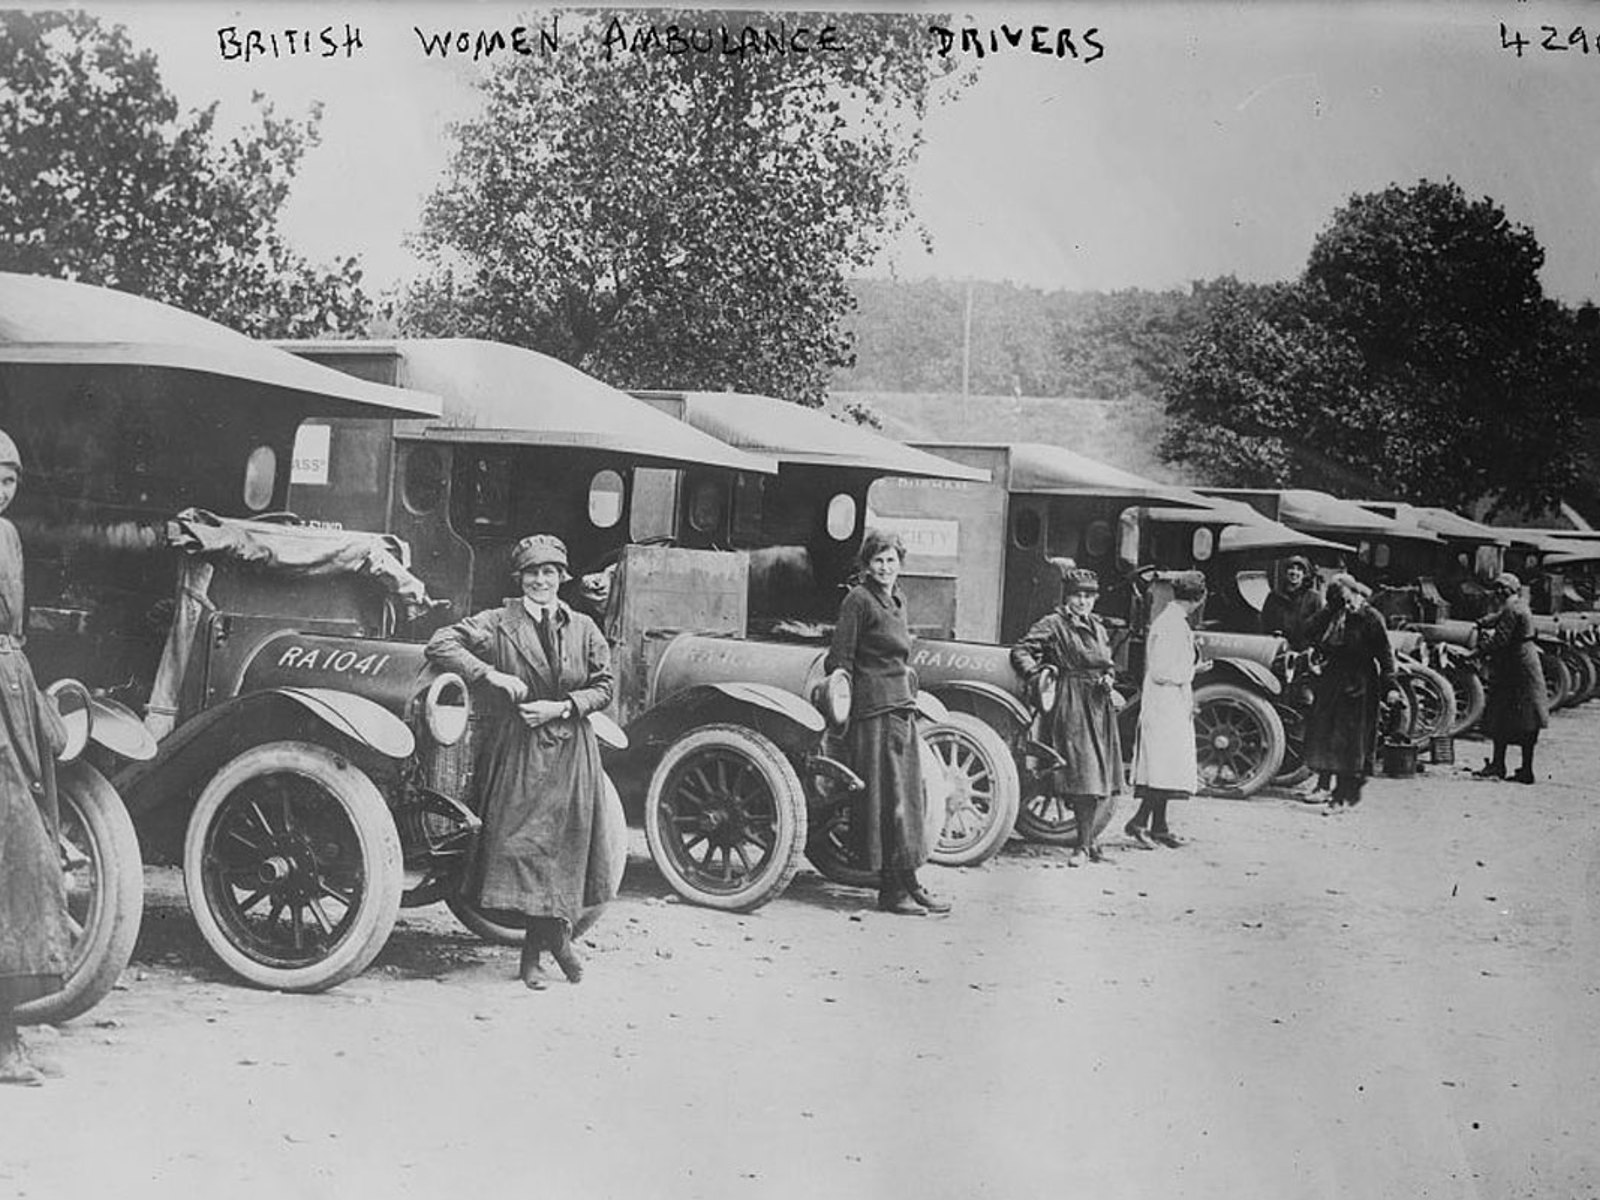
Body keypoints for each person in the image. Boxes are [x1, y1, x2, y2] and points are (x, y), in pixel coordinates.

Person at [426, 534, 618, 988]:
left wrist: (564, 706)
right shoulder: (498, 622)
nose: (540, 581)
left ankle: (534, 956)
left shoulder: (583, 627)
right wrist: (490, 673)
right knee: (518, 848)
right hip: (520, 751)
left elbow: (606, 686)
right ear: (521, 579)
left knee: (562, 851)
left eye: (549, 572)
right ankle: (559, 943)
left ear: (561, 578)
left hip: (573, 749)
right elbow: (441, 642)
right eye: (532, 573)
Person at [826, 528, 947, 915]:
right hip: (873, 712)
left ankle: (909, 880)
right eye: (877, 560)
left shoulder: (897, 600)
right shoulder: (858, 601)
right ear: (867, 564)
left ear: (900, 563)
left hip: (901, 707)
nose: (884, 567)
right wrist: (842, 710)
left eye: (891, 560)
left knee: (908, 799)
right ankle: (889, 891)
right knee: (884, 800)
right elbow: (839, 661)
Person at [0, 430, 71, 1084]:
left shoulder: (11, 539)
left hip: (12, 691)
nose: (2, 489)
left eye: (11, 479)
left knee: (25, 865)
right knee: (15, 861)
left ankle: (6, 1040)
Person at [1012, 567, 1124, 865]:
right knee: (1084, 775)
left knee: (1101, 775)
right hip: (1071, 703)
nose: (1082, 602)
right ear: (1067, 597)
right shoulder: (1053, 624)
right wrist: (1038, 675)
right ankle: (1082, 847)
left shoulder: (1097, 627)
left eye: (1088, 596)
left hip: (1099, 704)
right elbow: (1022, 649)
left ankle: (1092, 842)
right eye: (1077, 596)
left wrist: (1109, 678)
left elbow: (1106, 663)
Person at [1301, 573, 1401, 810]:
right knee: (1324, 732)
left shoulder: (1371, 618)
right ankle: (1323, 786)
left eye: (1346, 597)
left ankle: (1342, 794)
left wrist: (1391, 687)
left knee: (1348, 740)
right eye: (1338, 597)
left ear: (1355, 594)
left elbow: (1385, 655)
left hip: (1359, 683)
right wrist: (1329, 609)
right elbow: (1308, 631)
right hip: (1331, 678)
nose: (1345, 603)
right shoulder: (1333, 613)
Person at [1125, 571, 1207, 849]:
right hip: (1164, 701)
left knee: (1168, 766)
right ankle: (1138, 822)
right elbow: (1161, 670)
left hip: (1171, 701)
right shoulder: (1170, 624)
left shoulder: (1174, 621)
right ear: (1198, 599)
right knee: (1161, 765)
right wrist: (1192, 670)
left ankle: (1159, 826)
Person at [1472, 572, 1548, 784]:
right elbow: (1498, 619)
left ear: (1506, 590)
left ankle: (1499, 766)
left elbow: (1500, 640)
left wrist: (1476, 653)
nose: (1495, 592)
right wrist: (1482, 622)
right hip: (1525, 663)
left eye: (1499, 588)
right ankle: (1524, 769)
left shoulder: (1512, 609)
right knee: (1526, 719)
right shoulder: (1518, 605)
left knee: (1502, 715)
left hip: (1515, 667)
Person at [1261, 555, 1325, 650]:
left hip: (1304, 652)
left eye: (1299, 570)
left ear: (1304, 574)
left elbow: (1320, 627)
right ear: (1286, 572)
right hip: (1278, 649)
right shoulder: (1274, 597)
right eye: (1291, 568)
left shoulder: (1313, 598)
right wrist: (1273, 633)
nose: (1294, 572)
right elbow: (1265, 622)